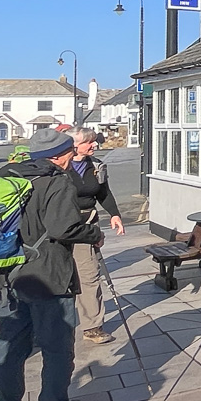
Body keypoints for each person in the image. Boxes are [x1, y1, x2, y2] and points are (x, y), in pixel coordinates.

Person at [0, 128, 102, 401]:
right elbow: (63, 228)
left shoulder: (8, 174)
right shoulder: (57, 181)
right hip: (48, 276)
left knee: (9, 349)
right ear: (62, 155)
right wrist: (94, 234)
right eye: (70, 152)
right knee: (57, 350)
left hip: (8, 273)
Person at [67, 126, 124, 344]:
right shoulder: (59, 168)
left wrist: (115, 214)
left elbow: (103, 193)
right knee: (55, 278)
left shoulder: (96, 166)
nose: (94, 145)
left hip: (86, 227)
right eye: (88, 142)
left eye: (93, 141)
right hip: (58, 226)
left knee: (89, 276)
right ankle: (43, 327)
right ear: (74, 146)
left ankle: (92, 327)